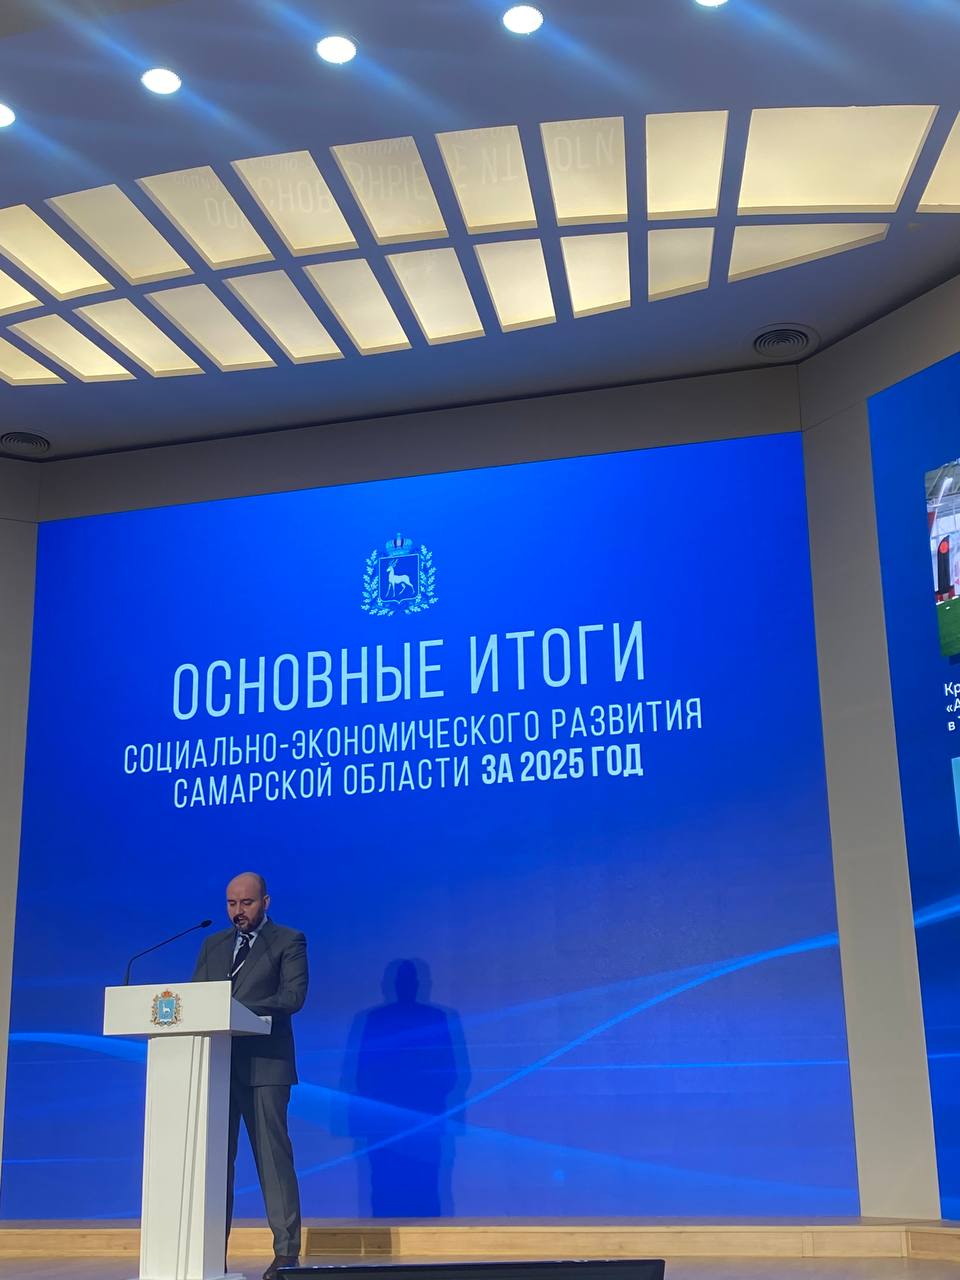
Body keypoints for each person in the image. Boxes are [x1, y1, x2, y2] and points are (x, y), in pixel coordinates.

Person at [193, 872, 307, 1280]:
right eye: (231, 904)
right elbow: (196, 999)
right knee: (214, 1164)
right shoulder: (213, 944)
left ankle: (286, 1253)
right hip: (218, 1067)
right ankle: (209, 1254)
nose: (238, 911)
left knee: (273, 1161)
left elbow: (293, 997)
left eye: (246, 903)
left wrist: (235, 1008)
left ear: (265, 902)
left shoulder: (288, 941)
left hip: (266, 1066)